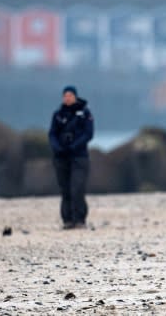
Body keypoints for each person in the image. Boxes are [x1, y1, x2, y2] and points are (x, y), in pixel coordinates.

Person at [48, 86, 94, 229]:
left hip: (79, 156)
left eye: (70, 95)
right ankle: (67, 219)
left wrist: (74, 146)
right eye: (65, 96)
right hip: (61, 157)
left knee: (77, 187)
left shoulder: (85, 113)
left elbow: (88, 134)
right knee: (65, 188)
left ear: (75, 97)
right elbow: (52, 134)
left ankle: (79, 219)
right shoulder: (58, 115)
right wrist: (58, 147)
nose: (67, 98)